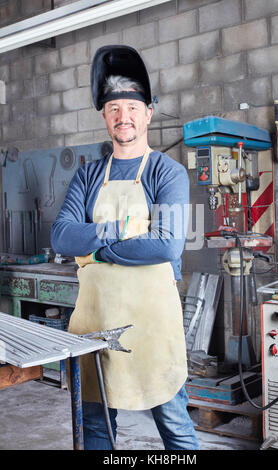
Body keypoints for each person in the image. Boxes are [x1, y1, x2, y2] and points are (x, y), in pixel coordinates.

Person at [51, 45, 199, 451]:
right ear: (104, 117)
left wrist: (96, 249)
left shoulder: (166, 172)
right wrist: (121, 230)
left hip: (152, 327)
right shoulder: (87, 176)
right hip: (95, 322)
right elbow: (61, 236)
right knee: (96, 426)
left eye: (132, 108)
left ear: (148, 113)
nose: (124, 116)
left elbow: (166, 245)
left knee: (175, 427)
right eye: (114, 108)